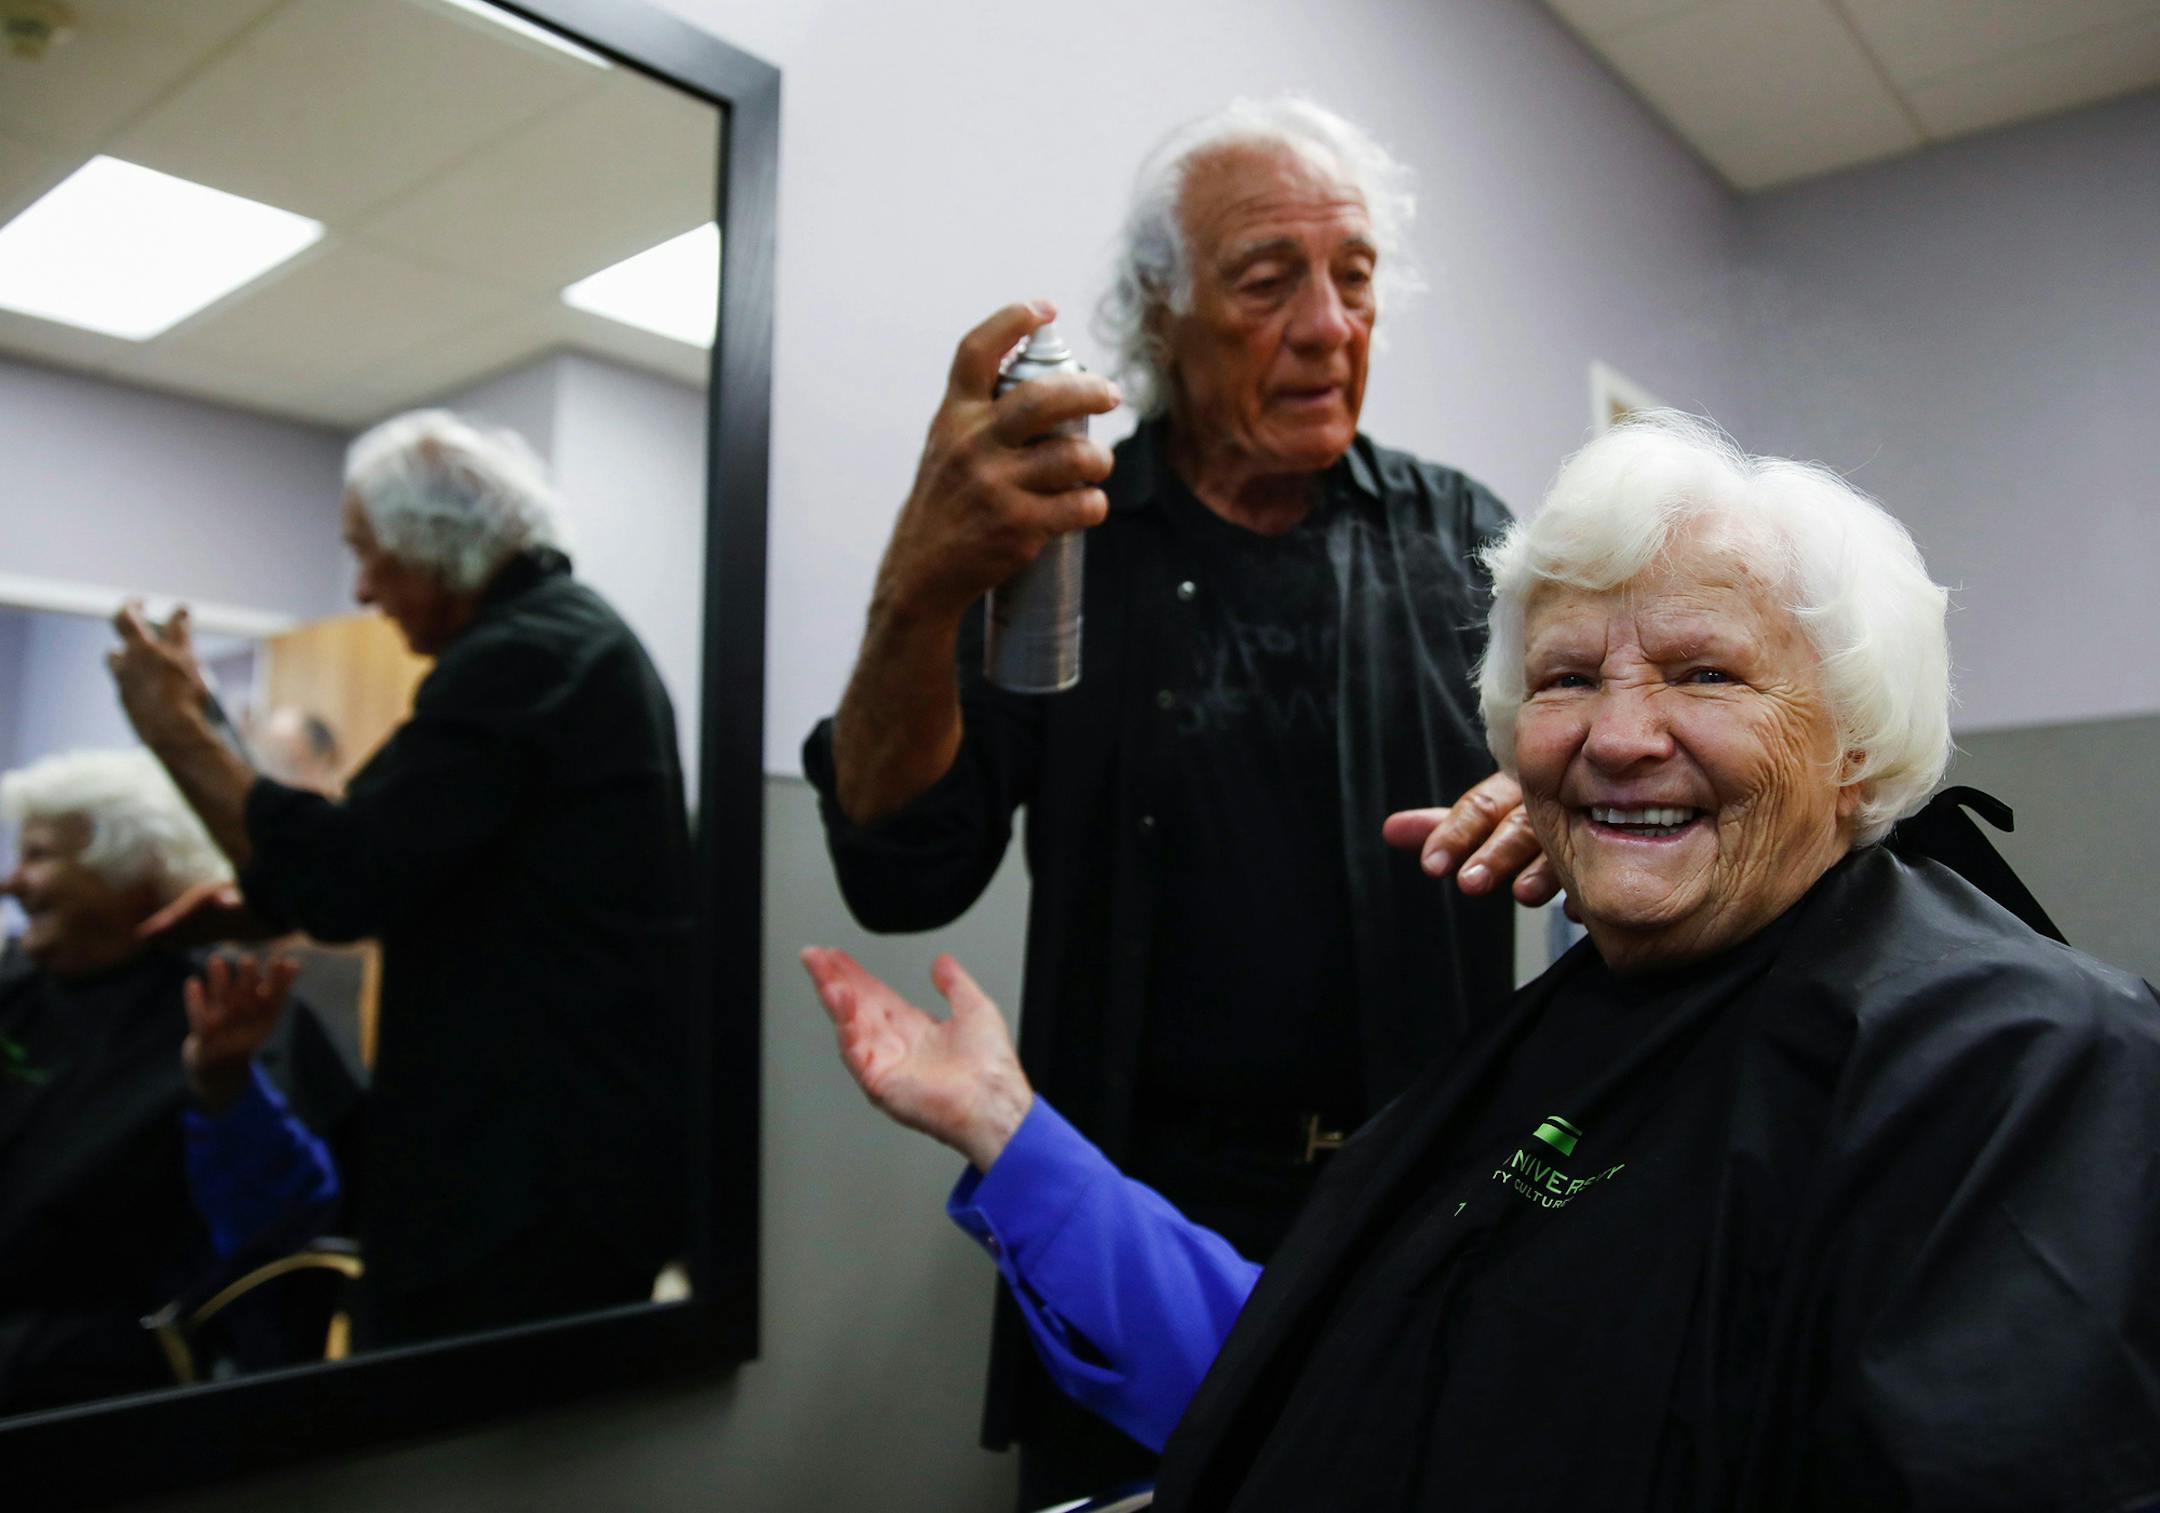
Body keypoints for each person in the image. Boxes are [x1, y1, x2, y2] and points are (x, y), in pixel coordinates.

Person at [807, 412, 2160, 1510]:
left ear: (1858, 735)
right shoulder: (1560, 1030)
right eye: (1568, 681)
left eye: (1705, 674)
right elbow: (1323, 1360)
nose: (1619, 733)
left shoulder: (2023, 1068)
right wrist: (1010, 1130)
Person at [803, 96, 1550, 1501]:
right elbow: (902, 872)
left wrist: (1552, 791)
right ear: (1162, 312)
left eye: (1358, 275)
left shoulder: (1464, 540)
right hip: (1120, 1226)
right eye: (1270, 281)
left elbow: (1583, 792)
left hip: (1419, 1221)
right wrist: (921, 577)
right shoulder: (1057, 544)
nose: (1330, 325)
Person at [105, 409, 695, 1348]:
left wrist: (175, 728)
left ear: (438, 545)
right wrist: (264, 902)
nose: (365, 588)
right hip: (568, 1170)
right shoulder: (572, 646)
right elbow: (421, 853)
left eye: (370, 553)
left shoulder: (529, 656)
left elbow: (346, 877)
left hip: (525, 1192)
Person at [0, 749, 335, 1413]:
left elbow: (282, 1230)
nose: (14, 882)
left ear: (132, 875)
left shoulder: (230, 1009)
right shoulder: (14, 994)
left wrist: (224, 1090)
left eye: (39, 856)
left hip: (108, 1391)